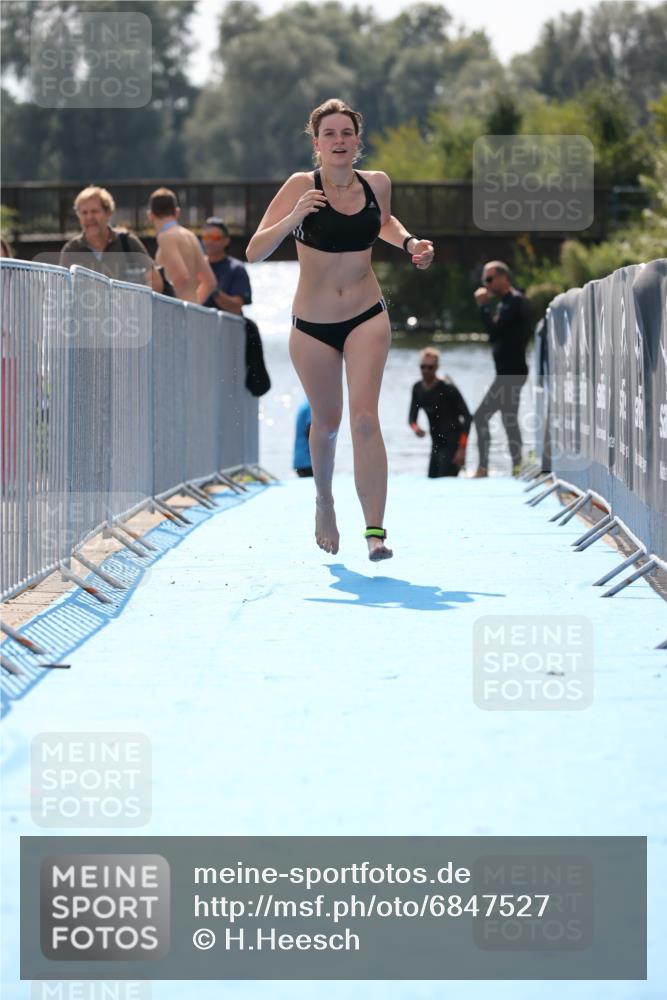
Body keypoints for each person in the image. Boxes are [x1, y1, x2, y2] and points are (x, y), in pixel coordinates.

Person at [246, 97, 434, 560]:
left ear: (357, 141)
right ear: (316, 143)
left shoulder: (378, 184)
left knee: (365, 419)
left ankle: (375, 532)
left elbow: (384, 223)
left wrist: (410, 242)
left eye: (346, 133)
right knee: (326, 423)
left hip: (367, 315)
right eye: (329, 134)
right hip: (312, 326)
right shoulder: (298, 186)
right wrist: (294, 218)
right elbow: (254, 251)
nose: (338, 141)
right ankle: (324, 503)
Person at [471, 260, 531, 477]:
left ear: (504, 277)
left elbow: (495, 332)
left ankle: (483, 468)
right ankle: (517, 466)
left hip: (511, 373)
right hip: (509, 372)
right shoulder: (507, 302)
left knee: (480, 417)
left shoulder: (514, 302)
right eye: (484, 280)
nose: (486, 284)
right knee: (509, 420)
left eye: (489, 279)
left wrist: (483, 307)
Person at [60, 185, 161, 289]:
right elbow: (62, 289)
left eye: (94, 211)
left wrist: (140, 301)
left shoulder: (127, 242)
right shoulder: (71, 250)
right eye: (84, 213)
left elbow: (155, 281)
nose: (89, 217)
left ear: (108, 213)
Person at [147, 187, 217, 305]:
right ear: (177, 212)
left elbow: (181, 277)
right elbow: (210, 282)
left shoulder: (165, 237)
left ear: (150, 215)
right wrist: (193, 305)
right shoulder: (190, 235)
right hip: (191, 312)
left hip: (175, 314)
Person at [409, 348, 471, 477]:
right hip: (436, 443)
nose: (425, 371)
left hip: (454, 444)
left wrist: (462, 449)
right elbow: (411, 418)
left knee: (445, 481)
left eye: (430, 367)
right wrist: (416, 429)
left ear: (436, 367)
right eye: (423, 367)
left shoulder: (448, 388)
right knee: (431, 480)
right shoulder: (417, 389)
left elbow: (467, 417)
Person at [201, 217, 252, 314]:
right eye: (206, 237)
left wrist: (212, 290)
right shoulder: (197, 266)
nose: (210, 242)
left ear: (226, 241)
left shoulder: (236, 268)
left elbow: (236, 308)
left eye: (215, 238)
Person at [293, 399, 313, 477]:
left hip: (300, 460)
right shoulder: (312, 404)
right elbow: (311, 430)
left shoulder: (305, 403)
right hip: (308, 460)